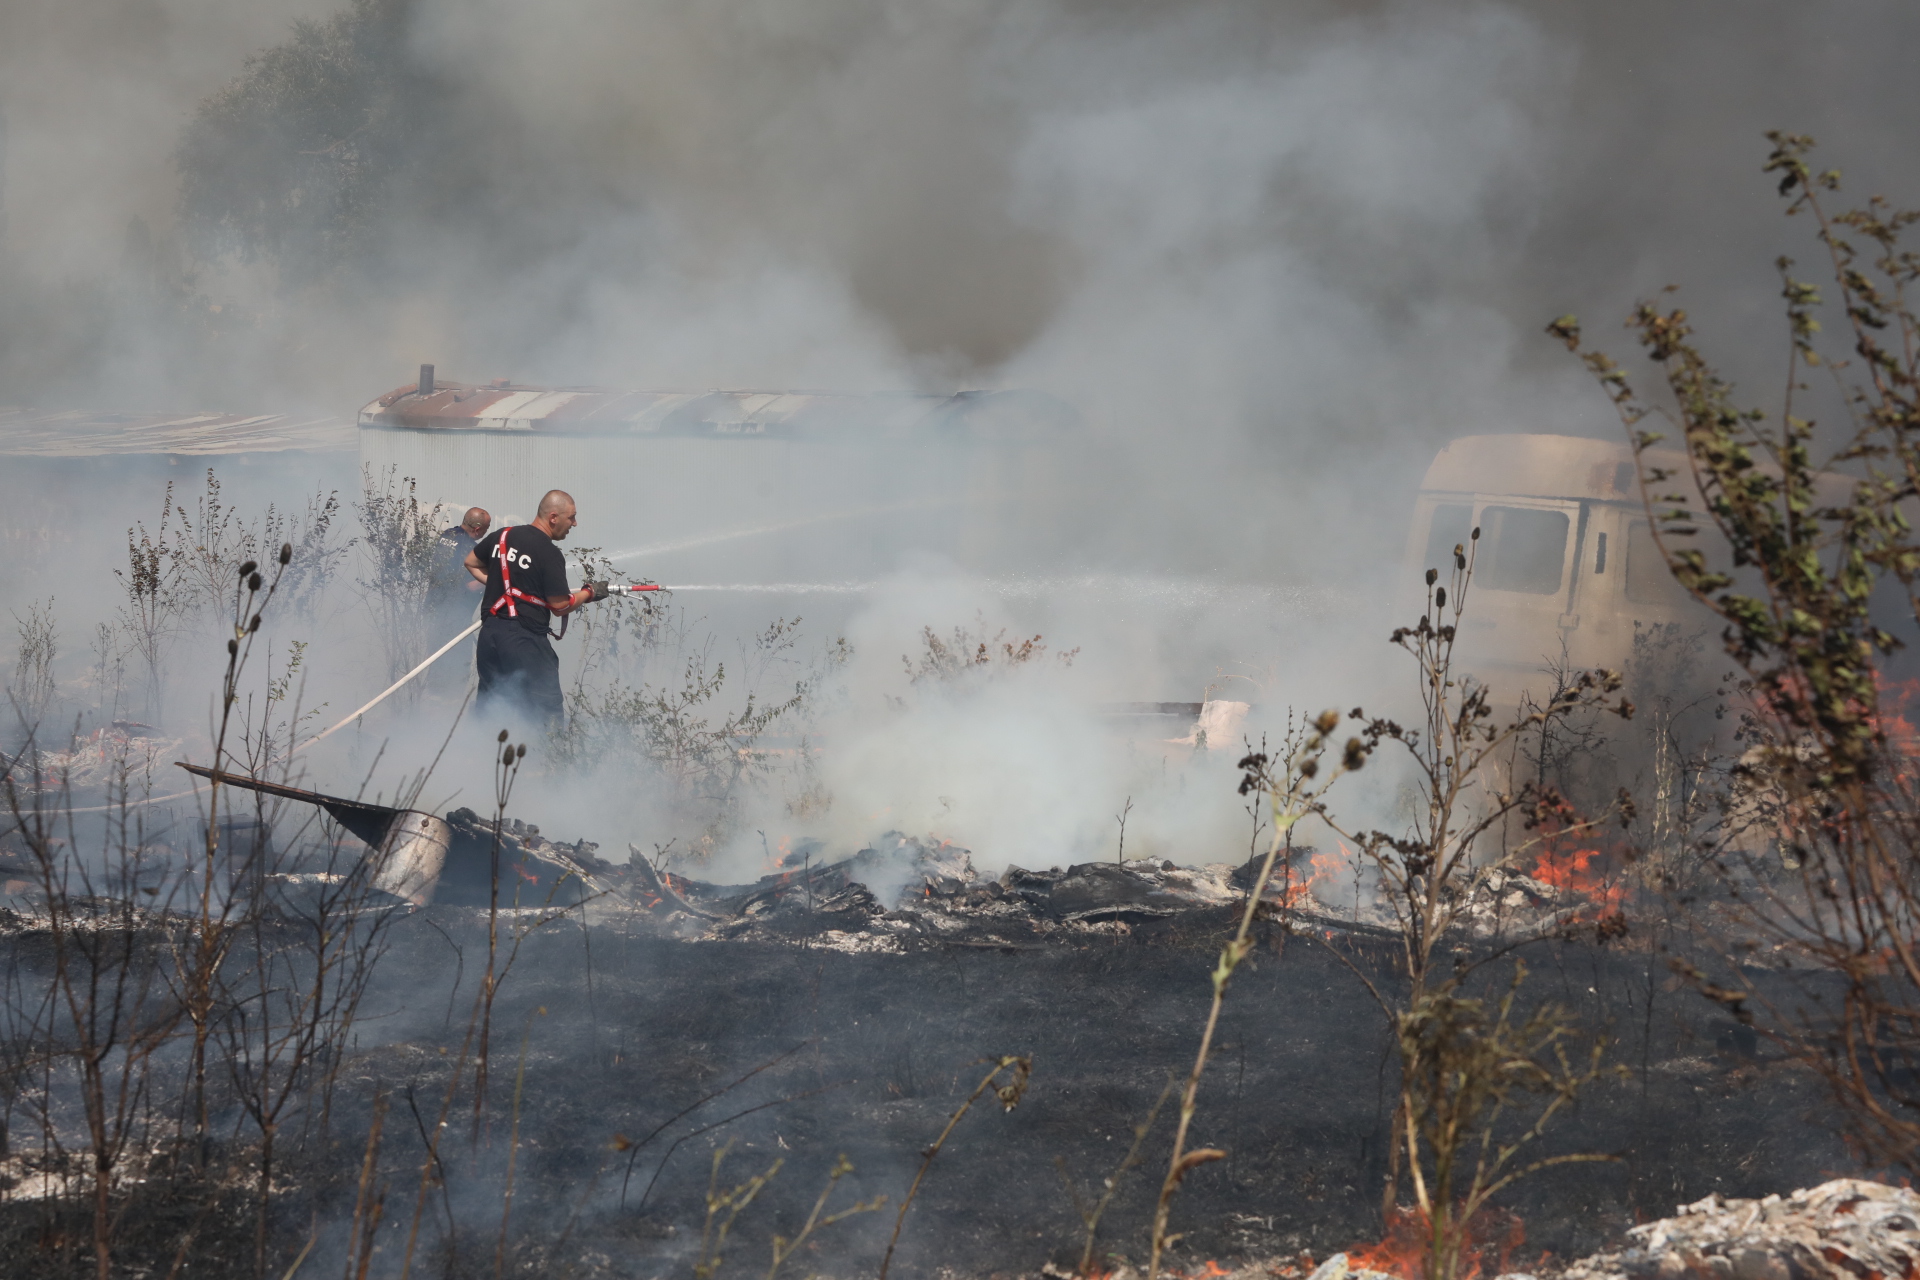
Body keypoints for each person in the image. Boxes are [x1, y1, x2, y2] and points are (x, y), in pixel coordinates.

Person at [463, 490, 608, 729]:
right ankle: (547, 761)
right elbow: (560, 606)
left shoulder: (503, 535)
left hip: (490, 636)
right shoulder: (548, 553)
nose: (574, 523)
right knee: (545, 703)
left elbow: (471, 562)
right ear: (554, 517)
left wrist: (500, 585)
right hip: (524, 639)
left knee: (492, 701)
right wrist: (589, 593)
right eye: (571, 517)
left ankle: (485, 756)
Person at [425, 507, 490, 697]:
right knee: (457, 659)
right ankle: (449, 701)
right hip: (453, 613)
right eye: (486, 528)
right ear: (477, 528)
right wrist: (491, 578)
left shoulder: (448, 535)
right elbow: (469, 585)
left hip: (435, 609)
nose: (486, 532)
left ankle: (433, 698)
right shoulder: (467, 546)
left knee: (437, 656)